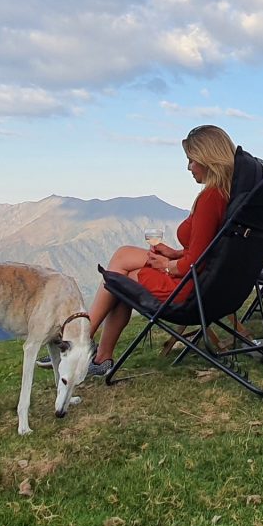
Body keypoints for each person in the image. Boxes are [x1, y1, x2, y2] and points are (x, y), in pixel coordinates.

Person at [83, 124, 236, 377]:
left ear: (207, 159)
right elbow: (208, 249)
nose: (188, 167)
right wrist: (175, 254)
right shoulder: (226, 194)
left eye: (191, 161)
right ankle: (95, 351)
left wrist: (166, 266)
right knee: (121, 258)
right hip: (209, 285)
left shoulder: (211, 198)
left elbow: (194, 265)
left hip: (189, 291)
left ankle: (84, 345)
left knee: (120, 278)